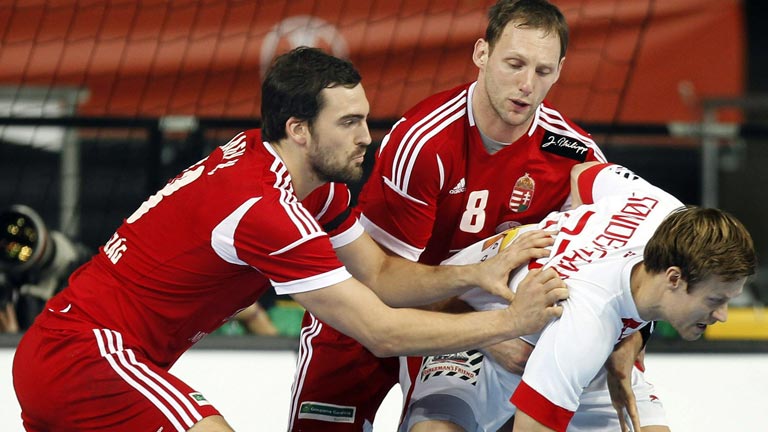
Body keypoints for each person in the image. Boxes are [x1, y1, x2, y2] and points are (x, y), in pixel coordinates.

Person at [11, 47, 569, 432]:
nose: (366, 138)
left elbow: (379, 278)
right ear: (299, 130)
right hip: (86, 355)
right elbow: (379, 330)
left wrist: (474, 275)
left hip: (97, 360)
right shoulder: (265, 210)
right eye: (348, 123)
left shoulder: (306, 184)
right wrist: (512, 321)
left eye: (365, 119)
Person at [287, 1, 650, 431]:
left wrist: (633, 336)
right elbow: (380, 281)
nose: (526, 85)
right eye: (514, 64)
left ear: (560, 71)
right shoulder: (424, 143)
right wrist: (490, 326)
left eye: (543, 71)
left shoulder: (574, 155)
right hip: (364, 312)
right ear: (482, 54)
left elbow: (617, 263)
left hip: (485, 328)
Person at [399, 162, 756, 432]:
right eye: (715, 301)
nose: (722, 315)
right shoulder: (585, 321)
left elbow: (584, 172)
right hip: (466, 319)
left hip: (569, 335)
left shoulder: (669, 215)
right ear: (674, 278)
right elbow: (531, 427)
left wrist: (579, 240)